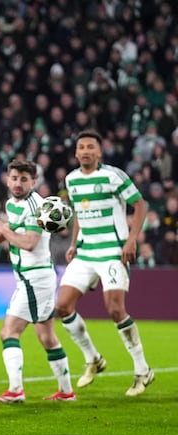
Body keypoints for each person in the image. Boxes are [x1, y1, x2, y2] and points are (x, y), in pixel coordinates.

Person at [55, 129, 153, 396]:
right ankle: (94, 359)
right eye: (81, 147)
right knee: (62, 306)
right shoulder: (72, 180)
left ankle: (143, 370)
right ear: (76, 153)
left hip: (112, 251)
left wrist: (132, 240)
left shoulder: (113, 175)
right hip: (86, 253)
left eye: (90, 147)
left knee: (115, 309)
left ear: (99, 152)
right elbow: (79, 214)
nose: (85, 151)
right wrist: (74, 243)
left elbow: (140, 204)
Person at [0, 159, 75, 403]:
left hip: (34, 279)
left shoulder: (38, 207)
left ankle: (15, 391)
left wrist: (3, 230)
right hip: (35, 276)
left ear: (34, 182)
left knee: (8, 332)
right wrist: (0, 235)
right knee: (47, 336)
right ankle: (66, 392)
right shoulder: (12, 203)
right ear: (7, 179)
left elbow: (29, 242)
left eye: (24, 179)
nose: (17, 183)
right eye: (14, 178)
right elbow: (15, 233)